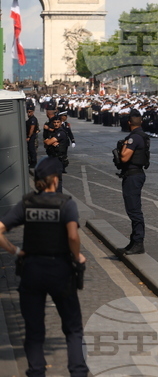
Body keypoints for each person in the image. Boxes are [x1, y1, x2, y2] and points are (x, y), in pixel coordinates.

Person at [0, 157, 89, 377]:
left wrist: (16, 251)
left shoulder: (27, 203)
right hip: (60, 269)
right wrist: (77, 256)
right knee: (73, 328)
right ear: (55, 180)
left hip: (31, 270)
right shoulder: (65, 204)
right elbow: (72, 236)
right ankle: (78, 372)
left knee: (34, 329)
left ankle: (36, 371)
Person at [118, 109, 150, 255]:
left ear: (129, 122)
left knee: (134, 210)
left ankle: (138, 242)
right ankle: (133, 242)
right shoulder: (139, 136)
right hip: (133, 175)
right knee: (132, 209)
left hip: (133, 176)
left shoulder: (134, 138)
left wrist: (123, 146)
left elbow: (124, 157)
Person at [25, 103, 39, 170]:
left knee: (32, 149)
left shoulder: (33, 119)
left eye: (30, 112)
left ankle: (33, 162)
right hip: (30, 136)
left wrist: (29, 136)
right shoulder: (30, 119)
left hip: (32, 137)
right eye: (28, 112)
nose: (28, 113)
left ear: (33, 112)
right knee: (30, 150)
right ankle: (31, 162)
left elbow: (32, 128)